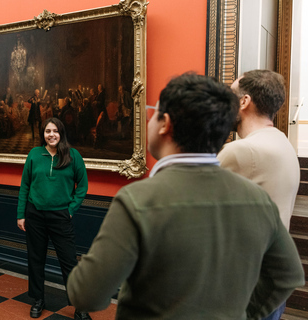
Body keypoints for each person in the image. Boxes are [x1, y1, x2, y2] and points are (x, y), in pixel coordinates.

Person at [66, 73, 304, 319]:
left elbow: (86, 295)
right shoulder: (257, 198)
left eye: (153, 114)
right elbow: (287, 275)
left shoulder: (139, 200)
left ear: (165, 124)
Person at [217, 69, 301, 320]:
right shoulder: (283, 142)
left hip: (244, 287)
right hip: (270, 285)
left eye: (231, 95)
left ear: (244, 101)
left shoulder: (242, 151)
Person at [17, 117, 91, 320]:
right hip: (35, 215)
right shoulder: (34, 154)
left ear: (61, 133)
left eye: (55, 131)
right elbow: (25, 185)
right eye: (48, 131)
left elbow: (82, 186)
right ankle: (38, 300)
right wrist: (21, 214)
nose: (51, 135)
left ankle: (80, 306)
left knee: (68, 262)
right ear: (43, 134)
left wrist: (70, 210)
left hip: (61, 216)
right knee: (36, 259)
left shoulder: (73, 155)